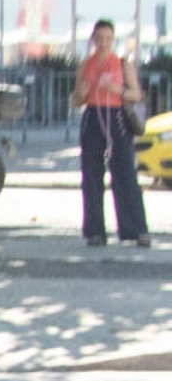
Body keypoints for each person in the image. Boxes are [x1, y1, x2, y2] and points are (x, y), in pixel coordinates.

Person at [72, 19, 152, 248]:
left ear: (113, 40)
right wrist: (82, 92)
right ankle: (95, 231)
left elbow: (136, 94)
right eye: (99, 39)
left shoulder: (122, 64)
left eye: (108, 39)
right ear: (93, 40)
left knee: (125, 173)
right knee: (91, 175)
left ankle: (136, 229)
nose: (104, 43)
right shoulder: (85, 65)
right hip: (92, 117)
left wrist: (115, 89)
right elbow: (76, 100)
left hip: (116, 117)